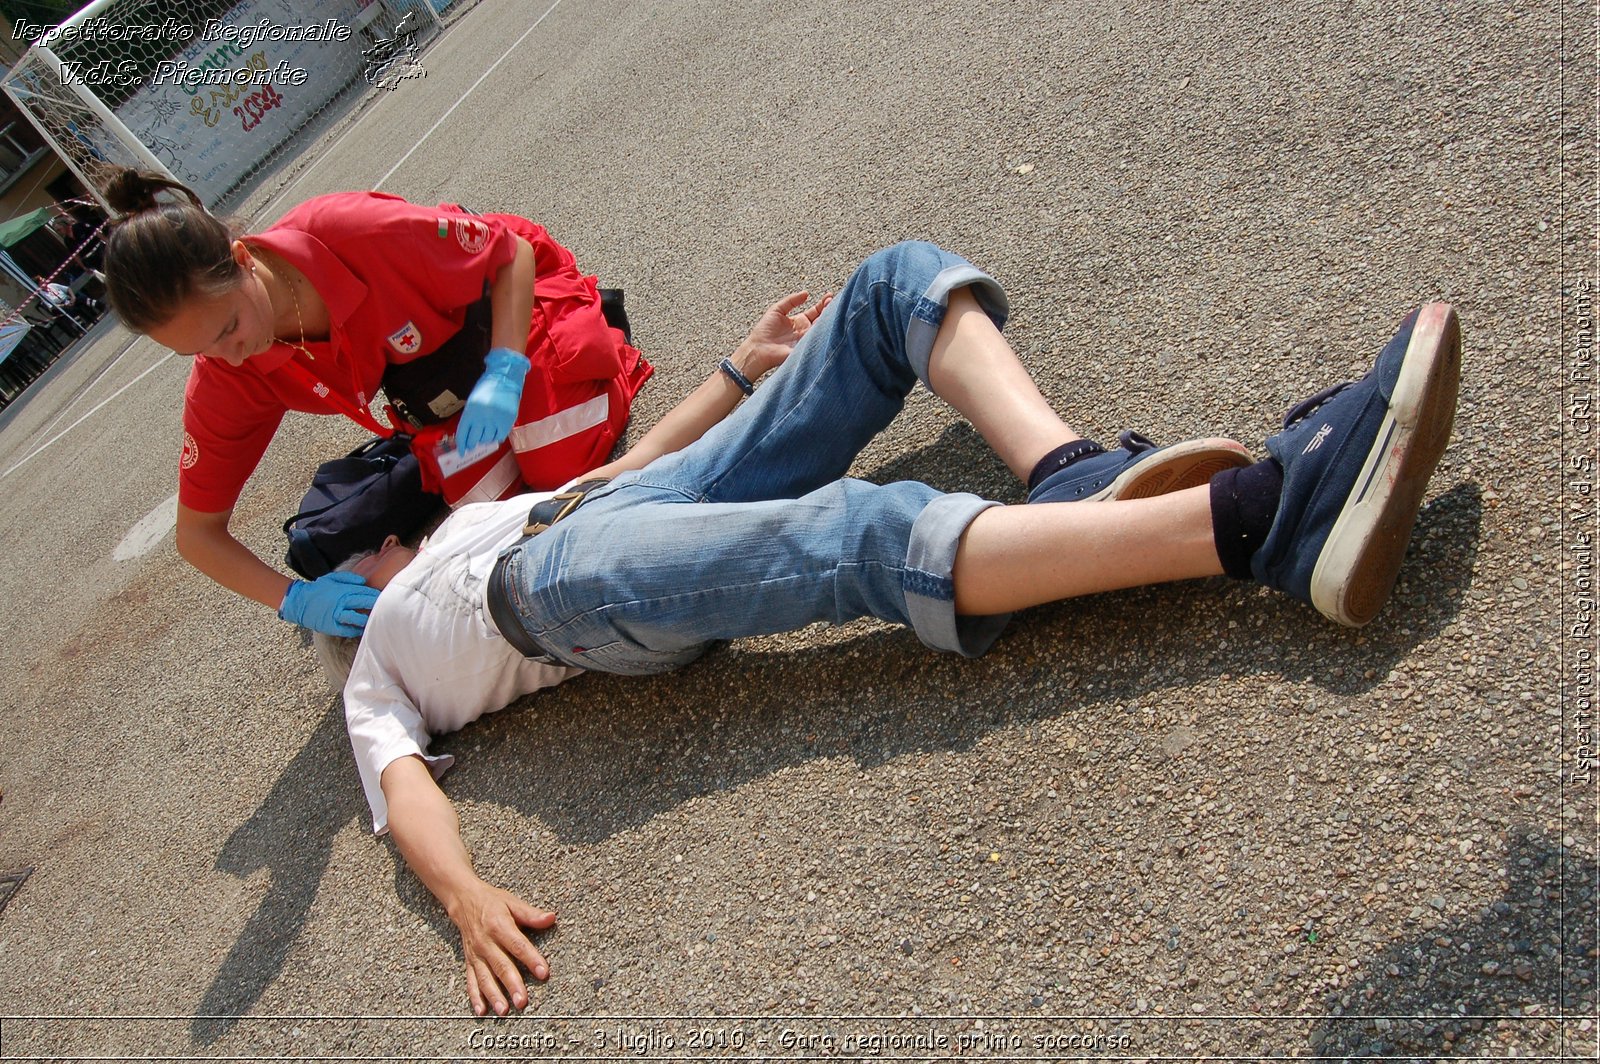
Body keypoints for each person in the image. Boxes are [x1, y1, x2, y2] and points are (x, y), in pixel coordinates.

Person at [318, 242, 1460, 1016]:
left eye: (372, 536)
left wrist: (735, 371)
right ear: (354, 588)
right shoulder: (372, 665)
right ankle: (1263, 521)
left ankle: (1066, 476)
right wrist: (465, 897)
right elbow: (401, 783)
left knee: (893, 283)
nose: (378, 546)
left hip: (611, 511)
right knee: (849, 534)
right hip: (561, 600)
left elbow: (628, 466)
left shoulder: (468, 512)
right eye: (358, 552)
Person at [99, 168, 653, 639]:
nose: (232, 356)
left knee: (560, 466)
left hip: (510, 312)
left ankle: (595, 335)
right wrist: (293, 599)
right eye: (200, 349)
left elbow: (510, 255)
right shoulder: (224, 369)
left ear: (242, 259)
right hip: (435, 392)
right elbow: (197, 535)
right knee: (491, 518)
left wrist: (506, 370)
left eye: (229, 327)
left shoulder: (349, 232)